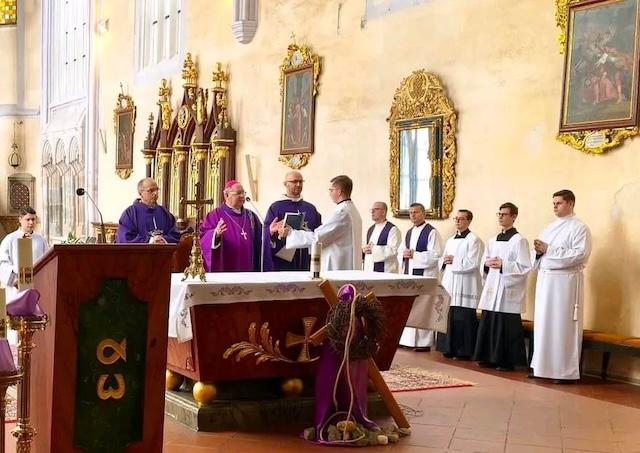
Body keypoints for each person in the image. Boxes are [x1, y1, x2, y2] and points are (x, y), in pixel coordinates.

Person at [530, 190, 592, 383]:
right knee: (544, 324)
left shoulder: (579, 228)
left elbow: (580, 255)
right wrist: (538, 252)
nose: (555, 206)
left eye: (559, 203)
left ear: (571, 204)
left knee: (561, 325)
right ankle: (541, 367)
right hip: (546, 281)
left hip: (565, 283)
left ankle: (563, 371)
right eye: (554, 203)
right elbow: (537, 254)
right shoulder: (549, 228)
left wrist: (548, 249)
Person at [473, 202, 532, 371]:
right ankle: (487, 357)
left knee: (505, 324)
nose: (500, 217)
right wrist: (486, 264)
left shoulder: (519, 241)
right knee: (489, 319)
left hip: (507, 289)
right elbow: (484, 261)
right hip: (492, 284)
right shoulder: (492, 240)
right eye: (499, 214)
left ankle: (505, 360)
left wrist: (503, 265)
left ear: (514, 217)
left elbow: (525, 266)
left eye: (504, 214)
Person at [279, 175, 362, 271]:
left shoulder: (341, 212)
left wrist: (290, 233)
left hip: (338, 265)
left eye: (331, 190)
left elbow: (318, 238)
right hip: (347, 262)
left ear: (339, 192)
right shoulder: (352, 210)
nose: (330, 194)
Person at [437, 209, 483, 360]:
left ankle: (463, 351)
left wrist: (454, 260)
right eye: (456, 218)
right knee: (449, 315)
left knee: (463, 317)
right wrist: (444, 261)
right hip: (450, 281)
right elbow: (442, 259)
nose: (457, 221)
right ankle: (447, 348)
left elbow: (474, 263)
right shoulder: (450, 240)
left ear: (469, 221)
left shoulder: (474, 240)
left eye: (461, 219)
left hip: (465, 284)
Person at [398, 203, 443, 350]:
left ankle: (423, 343)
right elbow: (400, 251)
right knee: (409, 306)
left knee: (423, 307)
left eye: (416, 212)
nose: (413, 215)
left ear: (424, 214)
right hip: (410, 274)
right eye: (411, 212)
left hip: (425, 275)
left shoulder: (432, 232)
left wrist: (415, 255)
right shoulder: (409, 232)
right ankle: (408, 341)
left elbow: (436, 255)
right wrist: (403, 254)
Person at [200, 180, 272, 272]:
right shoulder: (215, 215)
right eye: (238, 193)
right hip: (226, 268)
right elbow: (203, 237)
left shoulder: (251, 216)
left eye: (243, 193)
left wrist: (269, 231)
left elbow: (260, 238)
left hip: (249, 269)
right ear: (226, 195)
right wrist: (215, 234)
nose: (242, 196)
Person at [265, 171, 322, 271]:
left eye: (301, 181)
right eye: (294, 181)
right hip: (282, 261)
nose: (298, 184)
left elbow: (319, 233)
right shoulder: (275, 207)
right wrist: (271, 231)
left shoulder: (310, 208)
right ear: (285, 184)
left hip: (306, 259)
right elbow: (265, 231)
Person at [0, 207, 49, 299]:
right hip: (16, 284)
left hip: (36, 282)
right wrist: (14, 279)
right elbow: (3, 262)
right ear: (20, 220)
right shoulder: (9, 239)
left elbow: (47, 260)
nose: (31, 222)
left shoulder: (41, 239)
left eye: (33, 219)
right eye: (28, 219)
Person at [116, 178, 181, 244]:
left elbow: (175, 234)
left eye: (157, 189)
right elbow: (125, 238)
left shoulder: (164, 212)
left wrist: (163, 239)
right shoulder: (130, 214)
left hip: (163, 250)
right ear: (140, 193)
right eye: (151, 190)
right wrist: (150, 240)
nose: (155, 193)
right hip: (142, 250)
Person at [363, 202, 401, 273]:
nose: (372, 212)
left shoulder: (392, 229)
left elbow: (394, 250)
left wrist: (373, 249)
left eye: (376, 209)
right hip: (370, 269)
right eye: (372, 210)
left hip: (386, 270)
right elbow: (368, 248)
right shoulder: (371, 229)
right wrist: (365, 249)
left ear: (383, 212)